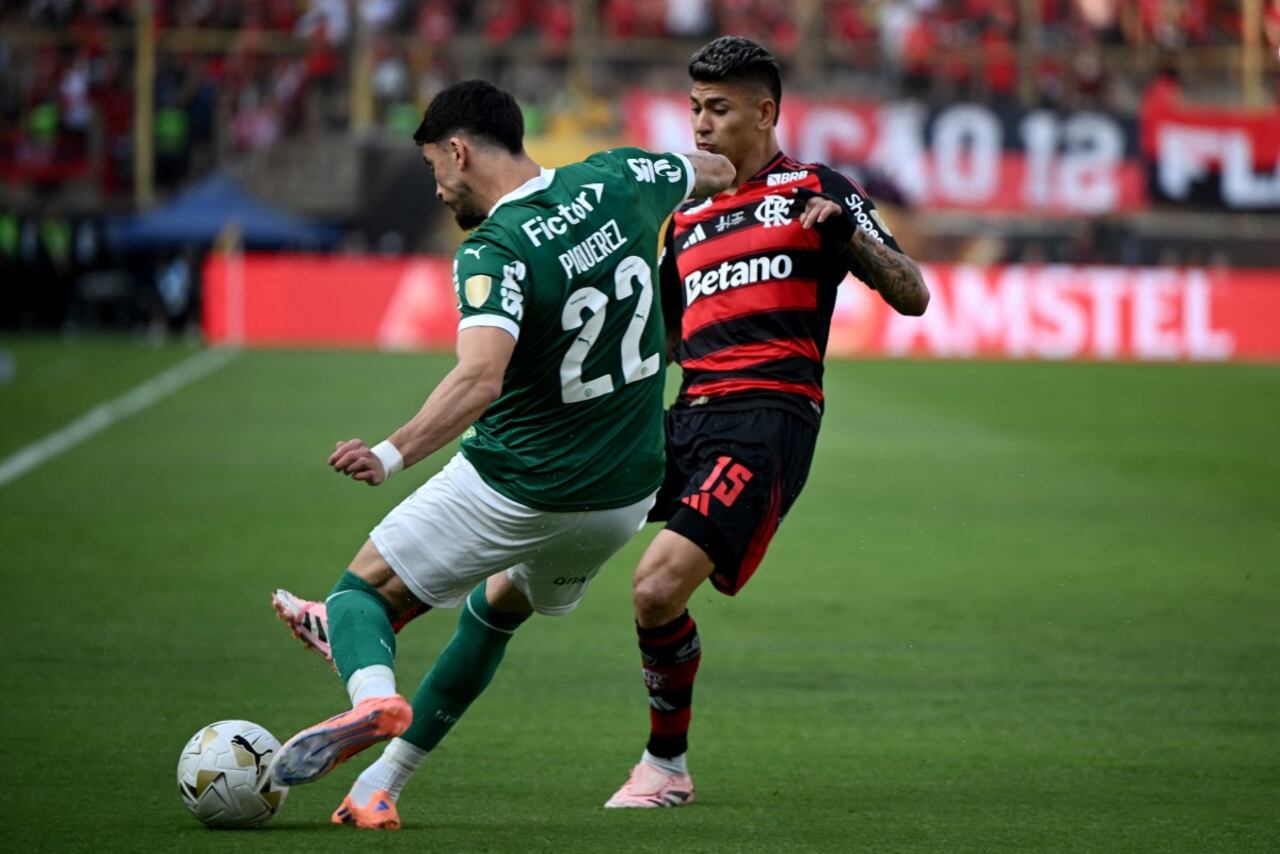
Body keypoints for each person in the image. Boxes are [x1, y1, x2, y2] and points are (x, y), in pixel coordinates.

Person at [266, 78, 734, 830]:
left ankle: (370, 691)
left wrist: (389, 453)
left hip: (522, 484)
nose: (438, 189)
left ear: (458, 152)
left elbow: (479, 379)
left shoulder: (496, 250)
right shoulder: (619, 176)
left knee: (362, 592)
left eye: (434, 168)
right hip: (623, 499)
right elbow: (715, 170)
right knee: (496, 608)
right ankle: (379, 787)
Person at [600, 36, 930, 808]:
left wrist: (847, 237)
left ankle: (666, 768)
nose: (700, 124)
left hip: (766, 420)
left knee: (656, 588)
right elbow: (664, 340)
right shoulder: (686, 216)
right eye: (694, 108)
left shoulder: (818, 189)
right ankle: (385, 607)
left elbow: (913, 293)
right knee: (542, 520)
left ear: (764, 112)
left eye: (718, 108)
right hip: (684, 418)